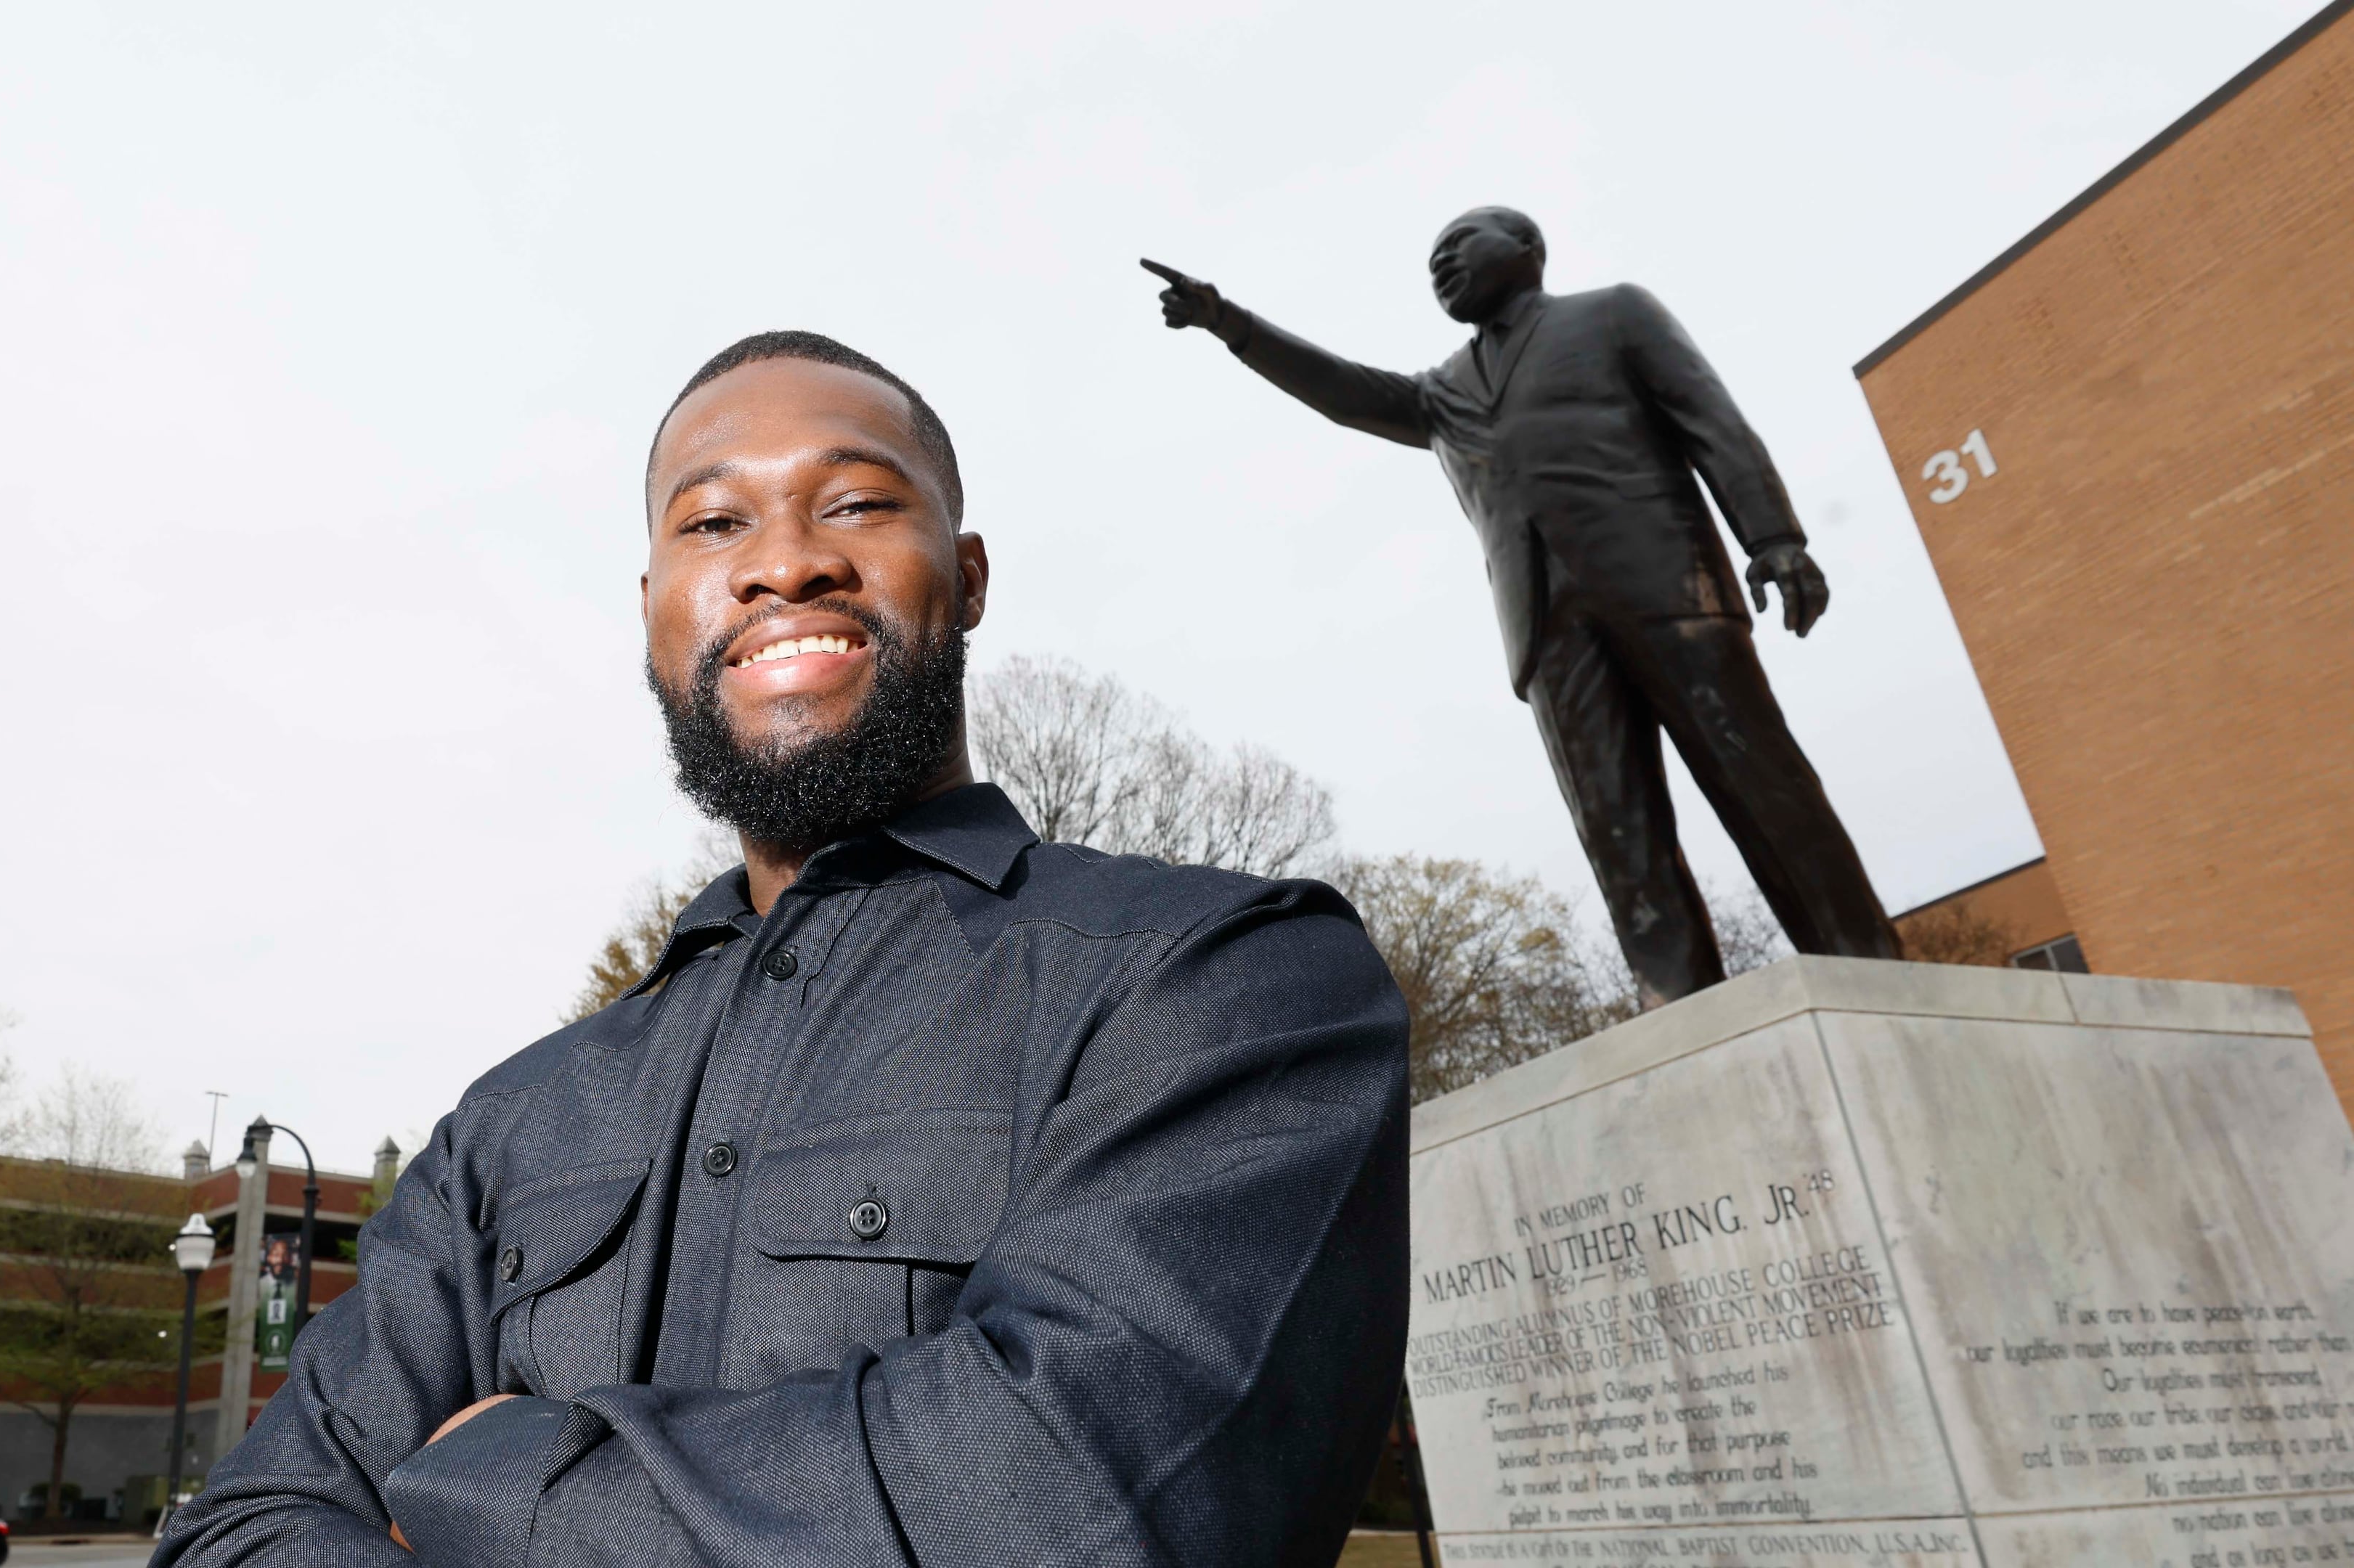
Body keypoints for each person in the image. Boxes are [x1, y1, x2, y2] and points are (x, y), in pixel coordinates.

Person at [152, 331, 1412, 1567]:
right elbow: (244, 1530)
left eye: (857, 503)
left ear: (966, 577)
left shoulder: (1230, 980)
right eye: (713, 525)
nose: (787, 564)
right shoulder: (508, 1125)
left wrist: (494, 1482)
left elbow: (1072, 1501)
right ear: (655, 614)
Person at [1145, 210, 1903, 1004]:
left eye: (1457, 247)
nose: (1440, 265)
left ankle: (1865, 961)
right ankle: (1678, 1002)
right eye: (1430, 260)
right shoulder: (1440, 393)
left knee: (1761, 780)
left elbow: (1712, 421)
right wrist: (1230, 324)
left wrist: (1773, 537)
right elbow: (1344, 393)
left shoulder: (1614, 313)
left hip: (1666, 585)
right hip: (1548, 630)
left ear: (1529, 249)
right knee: (1617, 829)